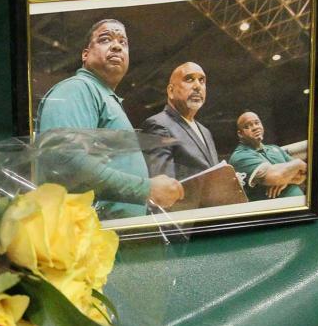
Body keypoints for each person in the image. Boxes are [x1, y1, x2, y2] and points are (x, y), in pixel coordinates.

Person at [36, 19, 183, 218]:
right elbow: (63, 160)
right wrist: (145, 189)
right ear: (85, 55)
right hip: (94, 238)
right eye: (105, 39)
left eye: (123, 42)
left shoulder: (105, 98)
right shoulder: (78, 88)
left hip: (113, 238)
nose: (116, 45)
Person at [141, 62, 220, 181]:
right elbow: (164, 188)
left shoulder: (206, 132)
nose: (197, 86)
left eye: (202, 80)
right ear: (171, 91)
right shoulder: (158, 125)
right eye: (189, 79)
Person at [229, 111, 307, 200]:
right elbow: (276, 176)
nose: (255, 127)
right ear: (240, 134)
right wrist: (298, 163)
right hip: (277, 211)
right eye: (247, 126)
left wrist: (286, 179)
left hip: (300, 204)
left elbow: (303, 174)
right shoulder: (240, 156)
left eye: (257, 123)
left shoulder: (275, 148)